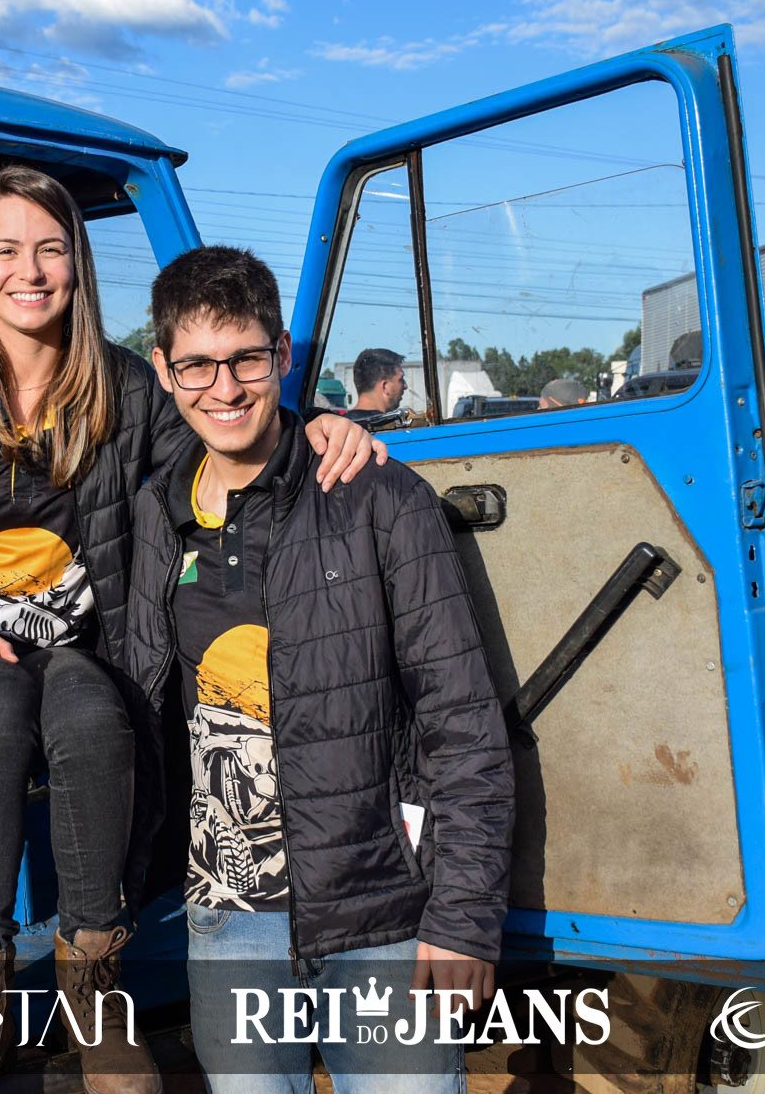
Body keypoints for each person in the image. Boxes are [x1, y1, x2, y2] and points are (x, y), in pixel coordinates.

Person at [0, 168, 390, 1094]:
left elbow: (221, 443)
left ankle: (95, 990)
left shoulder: (125, 386)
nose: (30, 270)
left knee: (99, 705)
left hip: (72, 659)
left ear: (77, 264)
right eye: (5, 250)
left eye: (50, 249)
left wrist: (317, 433)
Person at [125, 245, 514, 1094]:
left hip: (379, 911)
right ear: (163, 369)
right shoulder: (156, 513)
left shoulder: (379, 498)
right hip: (227, 920)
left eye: (246, 359)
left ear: (282, 355)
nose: (224, 388)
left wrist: (463, 918)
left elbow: (462, 719)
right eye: (196, 365)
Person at [349, 347, 407, 414]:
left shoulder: (343, 420)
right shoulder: (390, 420)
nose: (405, 386)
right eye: (400, 380)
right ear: (385, 386)